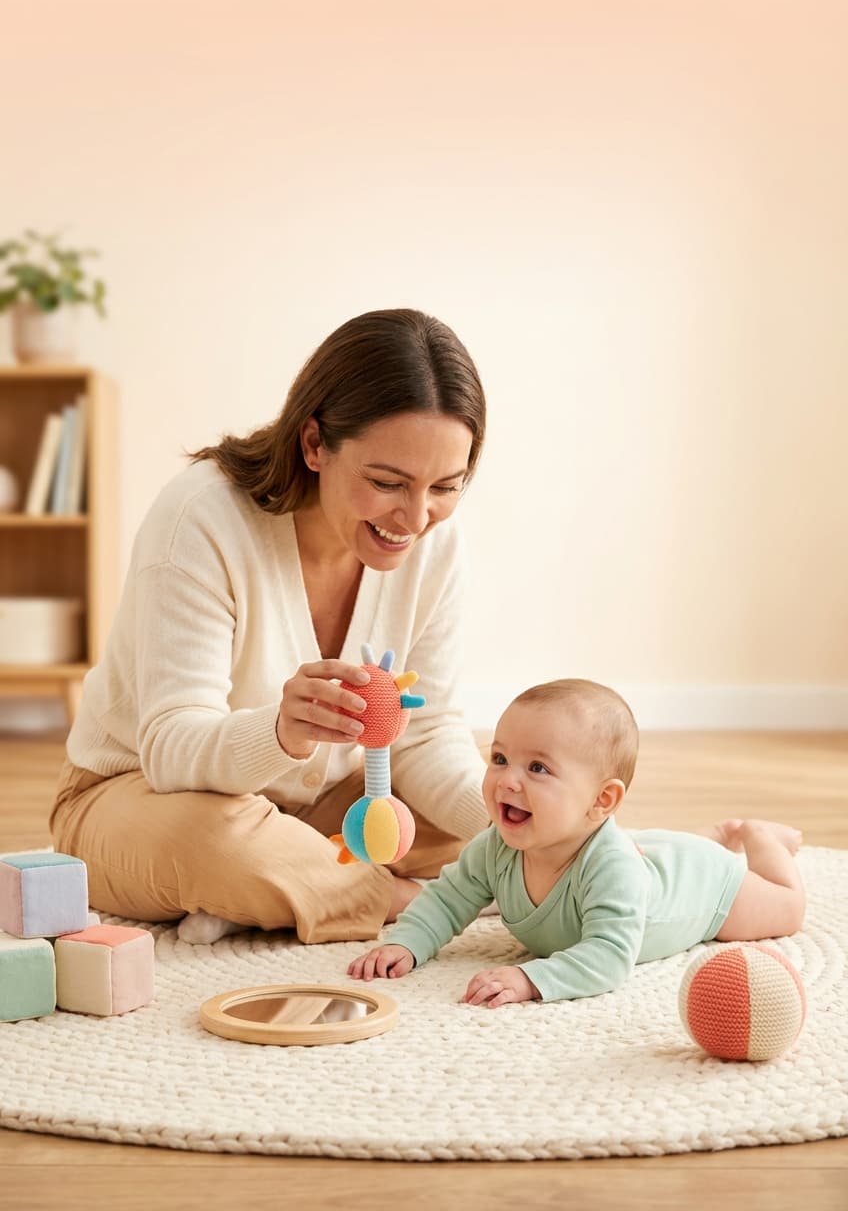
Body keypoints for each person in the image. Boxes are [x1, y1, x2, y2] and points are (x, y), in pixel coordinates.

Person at [50, 308, 491, 945]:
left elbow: (424, 734)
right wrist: (281, 731)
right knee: (219, 845)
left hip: (332, 809)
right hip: (144, 795)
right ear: (314, 444)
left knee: (498, 820)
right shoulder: (202, 518)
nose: (417, 517)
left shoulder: (437, 547)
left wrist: (525, 829)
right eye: (387, 482)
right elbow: (171, 746)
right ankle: (411, 900)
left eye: (446, 486)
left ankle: (278, 891)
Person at [348, 678, 806, 1006]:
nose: (508, 779)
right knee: (654, 850)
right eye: (501, 758)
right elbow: (448, 899)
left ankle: (761, 838)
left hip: (707, 886)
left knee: (786, 909)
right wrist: (408, 942)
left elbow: (609, 957)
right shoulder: (496, 847)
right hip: (644, 851)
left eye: (538, 768)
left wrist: (531, 978)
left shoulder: (612, 868)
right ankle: (710, 836)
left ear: (601, 800)